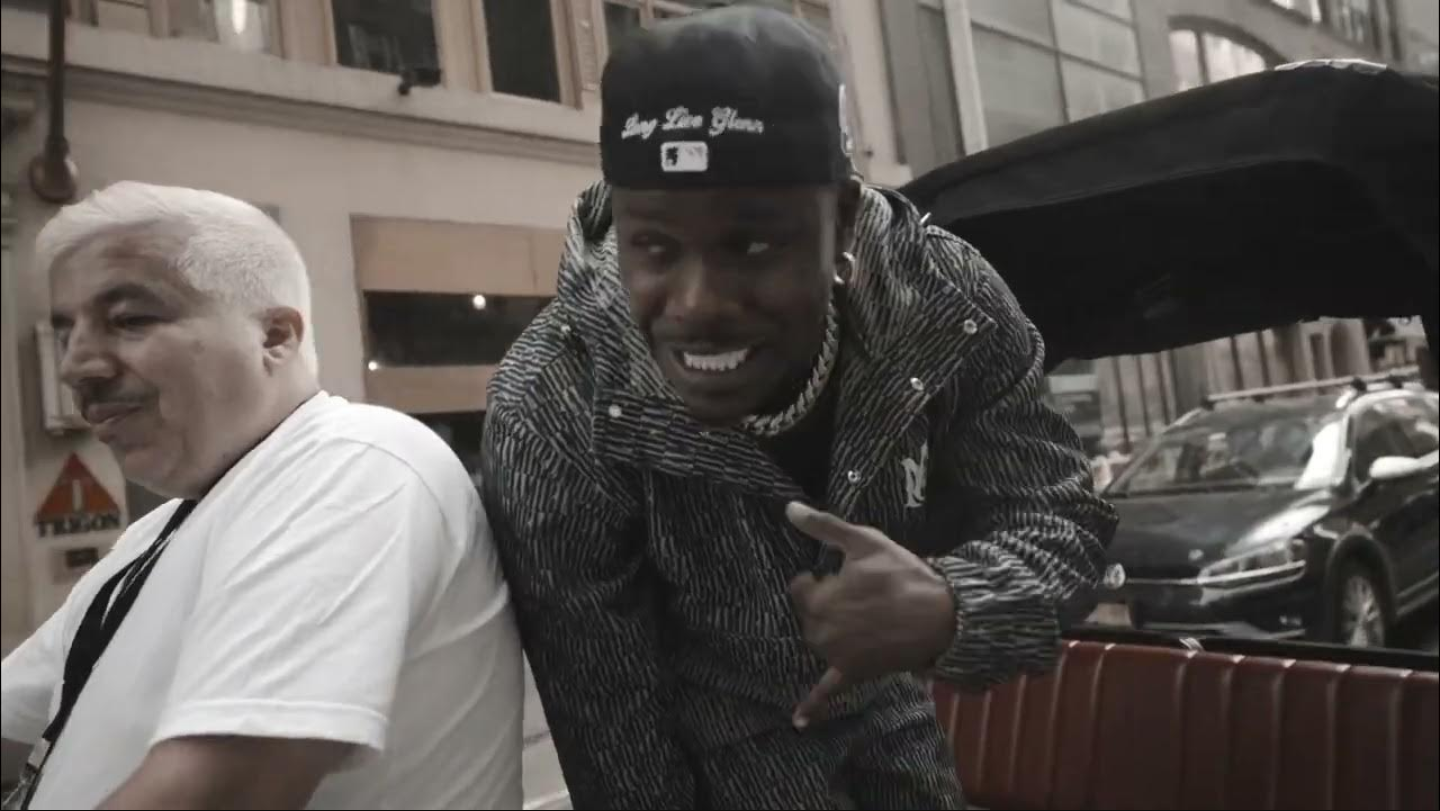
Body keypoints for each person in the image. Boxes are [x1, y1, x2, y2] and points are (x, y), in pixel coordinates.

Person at [481, 7, 1117, 809]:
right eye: (655, 247)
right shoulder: (555, 402)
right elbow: (615, 741)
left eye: (751, 245)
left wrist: (954, 606)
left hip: (913, 752)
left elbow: (1064, 521)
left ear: (842, 219)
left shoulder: (942, 302)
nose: (696, 303)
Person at [0, 182, 523, 810]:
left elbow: (225, 791)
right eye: (67, 332)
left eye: (130, 319)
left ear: (275, 336)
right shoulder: (154, 536)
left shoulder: (355, 463)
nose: (75, 366)